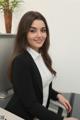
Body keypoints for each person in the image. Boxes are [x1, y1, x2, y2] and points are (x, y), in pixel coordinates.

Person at [5, 11, 78, 120]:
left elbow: (43, 86)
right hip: (19, 115)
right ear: (24, 33)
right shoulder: (21, 62)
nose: (40, 35)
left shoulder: (43, 56)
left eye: (43, 30)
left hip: (39, 113)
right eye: (33, 31)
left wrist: (57, 95)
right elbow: (31, 104)